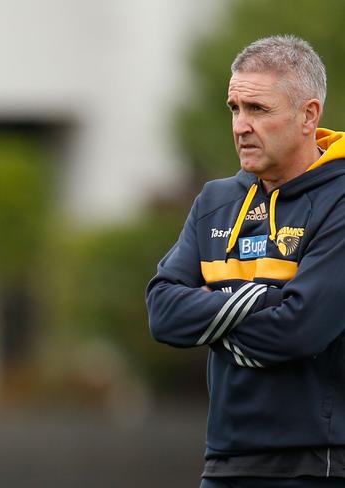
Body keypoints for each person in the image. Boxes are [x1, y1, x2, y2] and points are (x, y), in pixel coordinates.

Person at [146, 35, 345, 487]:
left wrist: (212, 316)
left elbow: (299, 329)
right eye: (235, 108)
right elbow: (161, 312)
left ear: (308, 116)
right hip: (225, 460)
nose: (240, 126)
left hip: (319, 463)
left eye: (258, 110)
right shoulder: (215, 201)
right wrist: (266, 299)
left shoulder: (340, 199)